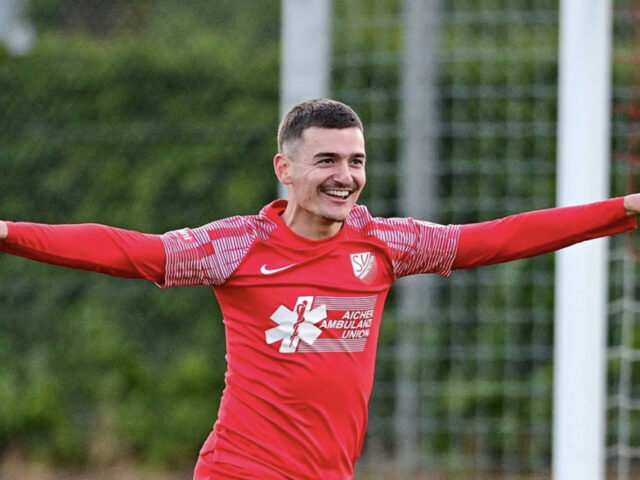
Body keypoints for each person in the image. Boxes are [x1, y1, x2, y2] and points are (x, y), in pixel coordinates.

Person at [1, 98, 639, 480]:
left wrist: (623, 210)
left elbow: (497, 238)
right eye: (327, 160)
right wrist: (8, 234)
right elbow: (129, 251)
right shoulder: (236, 247)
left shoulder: (384, 244)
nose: (345, 176)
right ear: (285, 168)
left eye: (356, 161)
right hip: (241, 470)